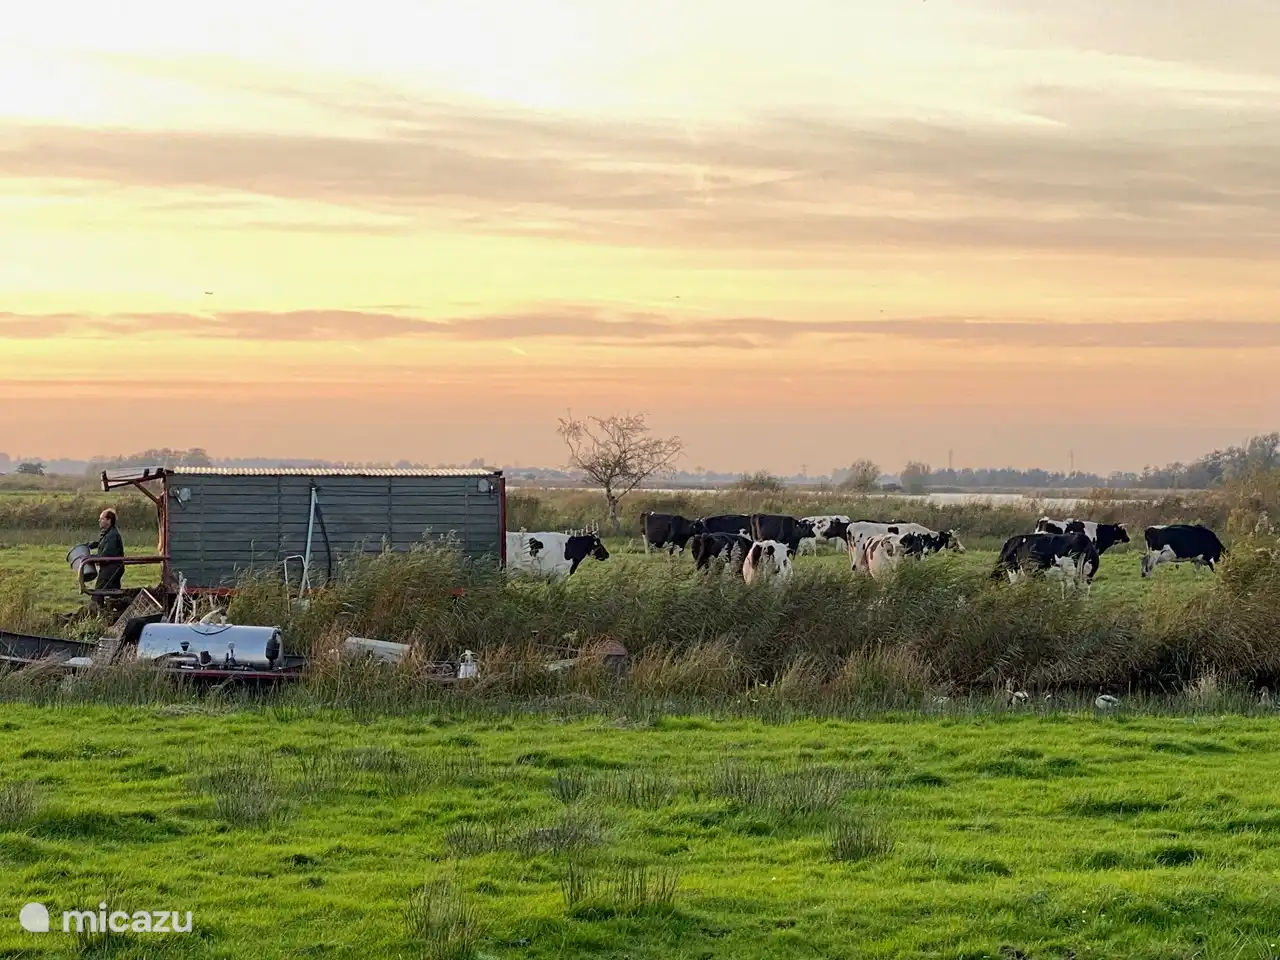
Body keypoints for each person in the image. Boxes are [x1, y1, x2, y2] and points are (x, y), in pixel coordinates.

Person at [89, 508, 125, 592]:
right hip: (111, 568)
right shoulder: (109, 533)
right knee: (112, 593)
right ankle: (113, 604)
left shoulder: (112, 535)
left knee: (98, 594)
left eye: (102, 519)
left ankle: (98, 605)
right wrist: (92, 545)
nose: (99, 521)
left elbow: (106, 555)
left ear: (109, 521)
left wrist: (91, 558)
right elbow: (102, 542)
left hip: (110, 570)